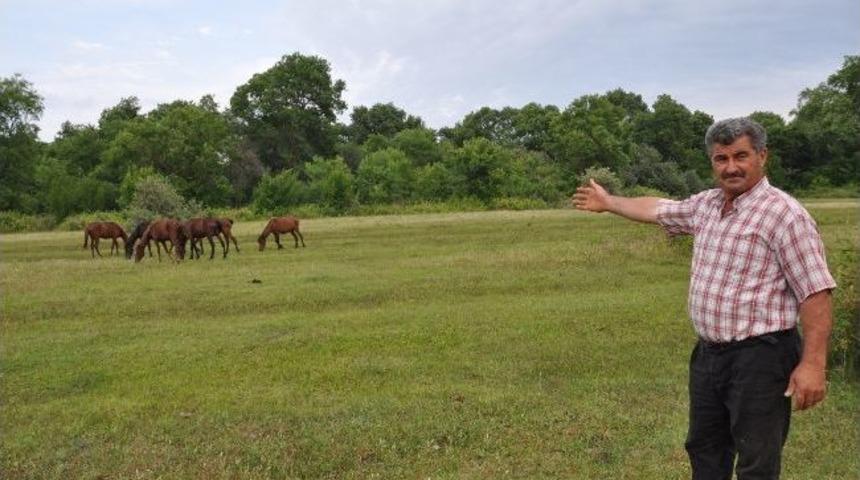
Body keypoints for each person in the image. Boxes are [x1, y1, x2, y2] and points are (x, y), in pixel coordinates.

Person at [572, 117, 836, 479]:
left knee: (756, 461)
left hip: (762, 357)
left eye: (740, 156)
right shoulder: (707, 206)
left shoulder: (785, 215)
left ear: (762, 156)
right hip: (709, 356)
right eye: (721, 158)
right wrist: (608, 202)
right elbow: (657, 209)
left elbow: (815, 292)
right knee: (705, 448)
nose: (731, 167)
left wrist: (813, 365)